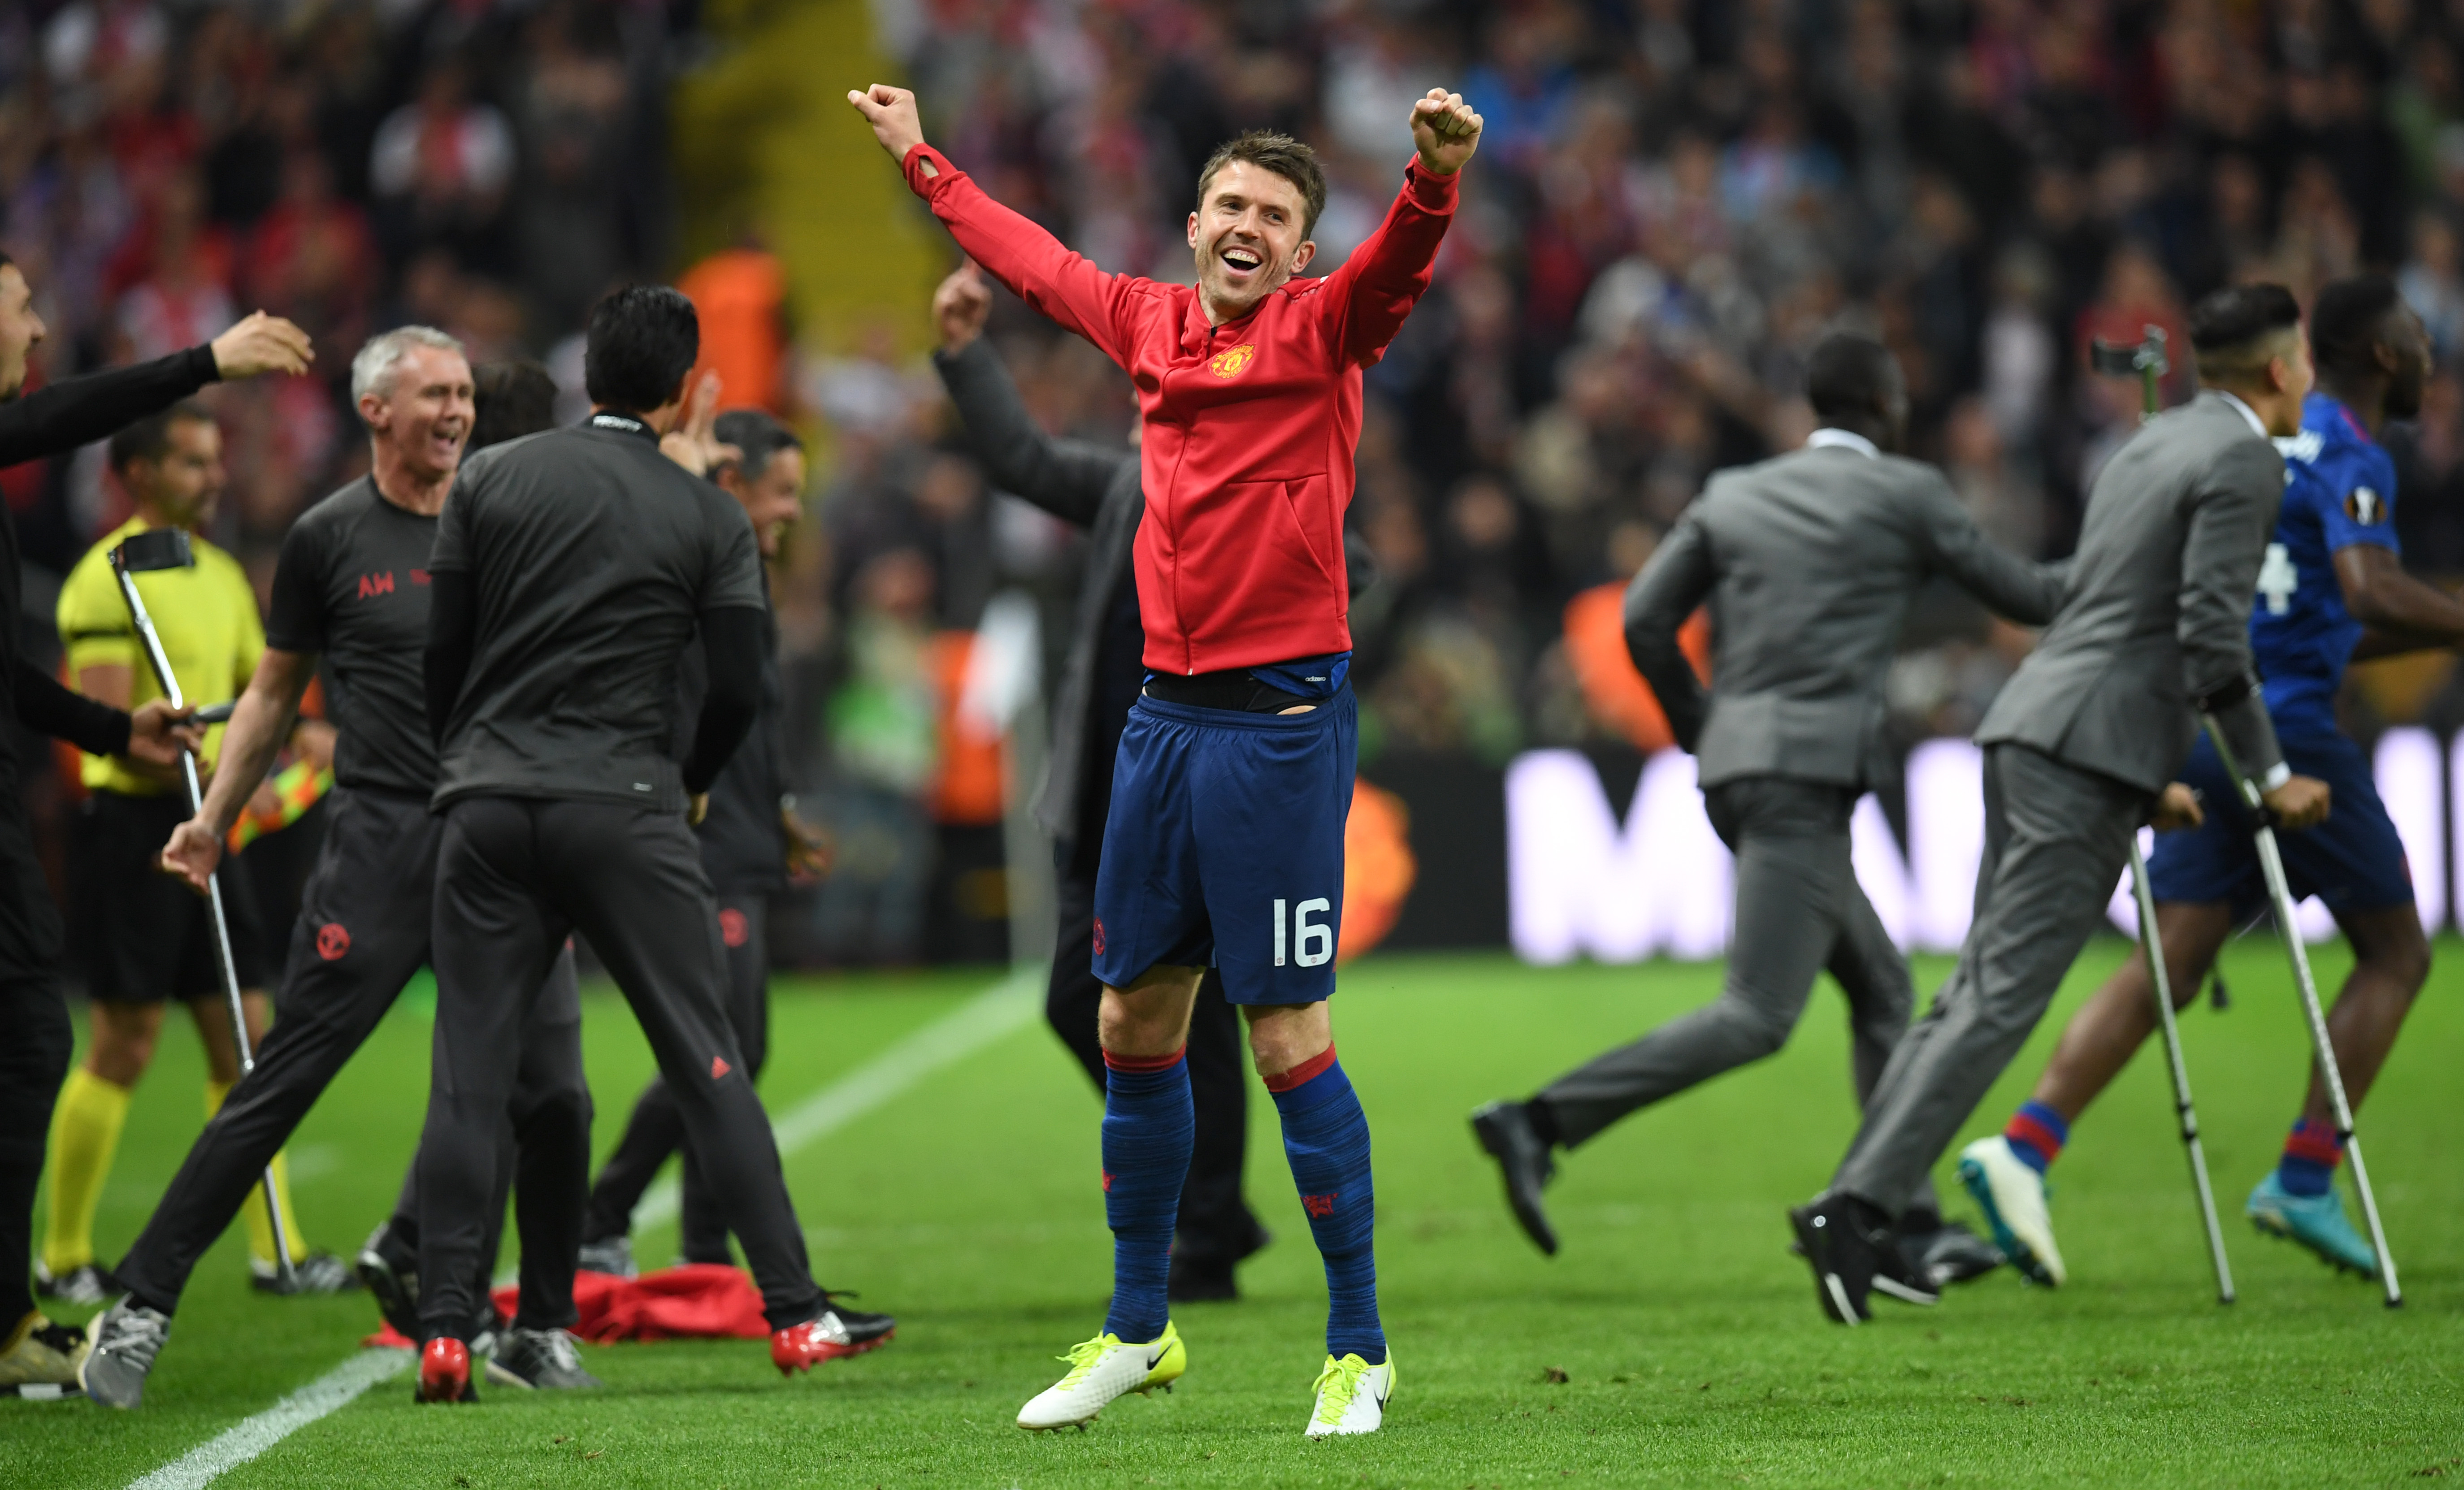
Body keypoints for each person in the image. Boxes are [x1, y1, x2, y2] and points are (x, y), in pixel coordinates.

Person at [850, 78, 1481, 1435]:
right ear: (1194, 224)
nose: (1250, 226)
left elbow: (1400, 269)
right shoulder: (1143, 319)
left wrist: (1430, 182)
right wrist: (923, 161)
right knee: (1129, 1017)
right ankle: (1140, 1327)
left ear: (1304, 250)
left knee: (1285, 1035)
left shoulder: (1330, 325)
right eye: (1234, 205)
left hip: (1279, 727)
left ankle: (1360, 1348)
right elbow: (1037, 262)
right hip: (1161, 721)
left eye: (1278, 214)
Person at [1791, 283, 2335, 1324]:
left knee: (1969, 996)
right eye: (2304, 361)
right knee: (1996, 1002)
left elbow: (2106, 601)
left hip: (2039, 726)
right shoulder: (2242, 459)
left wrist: (2147, 777)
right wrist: (2268, 776)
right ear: (2279, 370)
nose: (2308, 378)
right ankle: (1854, 1212)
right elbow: (2213, 637)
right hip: (2081, 747)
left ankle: (1860, 1211)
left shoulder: (2150, 446)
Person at [76, 333, 599, 1410]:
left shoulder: (501, 516)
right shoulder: (329, 539)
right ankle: (139, 1305)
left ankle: (538, 1327)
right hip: (385, 847)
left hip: (502, 849)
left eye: (464, 395)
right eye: (434, 397)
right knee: (283, 1082)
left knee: (555, 1097)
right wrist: (215, 818)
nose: (456, 414)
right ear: (375, 412)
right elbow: (273, 697)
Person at [1469, 334, 2044, 1291]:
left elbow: (1645, 619)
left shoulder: (1735, 494)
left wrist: (1705, 726)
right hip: (1802, 781)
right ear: (1890, 408)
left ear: (1812, 407)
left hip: (1743, 768)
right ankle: (1540, 1122)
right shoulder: (1906, 492)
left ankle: (1905, 1228)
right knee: (1760, 1014)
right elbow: (2021, 594)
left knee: (1882, 988)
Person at [408, 285, 891, 1403]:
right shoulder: (707, 515)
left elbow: (442, 653)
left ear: (586, 376)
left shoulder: (488, 476)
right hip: (625, 801)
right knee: (706, 1056)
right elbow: (735, 687)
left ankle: (445, 1331)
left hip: (485, 799)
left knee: (470, 1073)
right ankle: (795, 1311)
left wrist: (466, 758)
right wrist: (694, 782)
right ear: (681, 391)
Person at [1968, 275, 2459, 1285]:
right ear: (2375, 355)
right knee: (2400, 953)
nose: (2428, 357)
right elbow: (2369, 589)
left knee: (2175, 959)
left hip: (2202, 721)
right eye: (2416, 341)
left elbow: (2317, 616)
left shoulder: (2254, 441)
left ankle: (2024, 1145)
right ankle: (2306, 1176)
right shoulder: (2351, 453)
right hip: (2286, 737)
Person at [929, 262, 1273, 1302]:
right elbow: (1022, 458)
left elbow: (1356, 568)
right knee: (1086, 1000)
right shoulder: (1127, 483)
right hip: (1105, 797)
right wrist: (964, 354)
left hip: (1203, 791)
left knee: (1195, 1017)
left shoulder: (1254, 487)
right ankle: (1211, 1206)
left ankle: (1206, 1228)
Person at [0, 254, 293, 1394]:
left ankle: (19, 1307)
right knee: (48, 1039)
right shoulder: (101, 563)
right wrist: (203, 363)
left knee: (64, 1038)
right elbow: (64, 415)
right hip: (133, 840)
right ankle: (41, 1283)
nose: (35, 332)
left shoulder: (219, 572)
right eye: (24, 309)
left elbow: (10, 678)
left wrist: (109, 729)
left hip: (178, 816)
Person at [43, 402, 351, 1305]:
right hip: (139, 833)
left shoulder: (218, 573)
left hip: (209, 824)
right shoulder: (104, 582)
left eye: (216, 462)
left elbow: (264, 696)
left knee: (248, 1045)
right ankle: (60, 1256)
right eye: (191, 463)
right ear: (137, 475)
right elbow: (100, 734)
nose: (214, 479)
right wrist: (185, 757)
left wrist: (299, 745)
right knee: (123, 1045)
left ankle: (277, 1251)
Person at [577, 403, 832, 1275]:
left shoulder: (749, 572)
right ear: (732, 485)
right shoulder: (694, 568)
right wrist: (683, 477)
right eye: (781, 492)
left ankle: (696, 1248)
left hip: (748, 830)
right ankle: (607, 1213)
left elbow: (759, 713)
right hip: (703, 833)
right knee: (726, 1045)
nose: (793, 511)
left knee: (728, 1046)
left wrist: (784, 806)